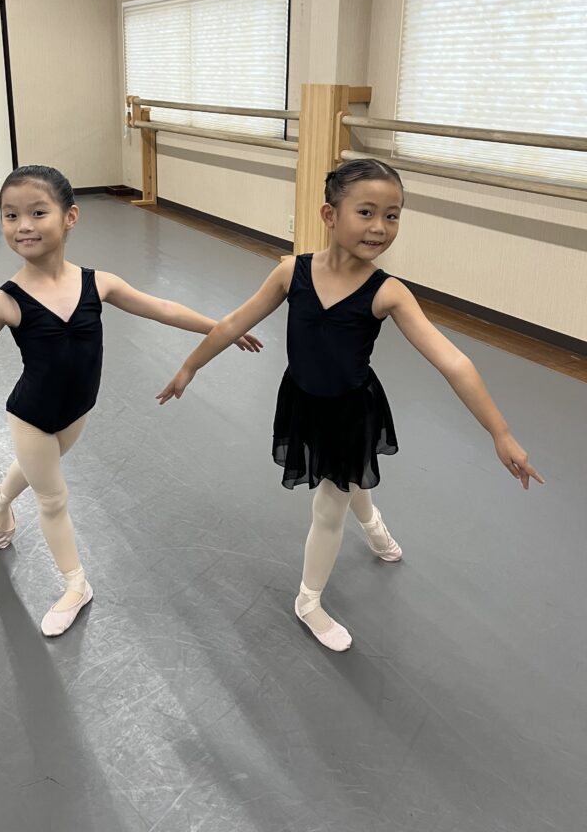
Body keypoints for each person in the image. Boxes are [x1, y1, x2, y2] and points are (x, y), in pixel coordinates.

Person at [0, 165, 261, 637]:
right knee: (52, 496)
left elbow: (162, 308)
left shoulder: (98, 284)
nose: (23, 225)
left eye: (37, 213)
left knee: (35, 468)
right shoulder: (5, 302)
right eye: (10, 215)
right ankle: (75, 584)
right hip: (31, 415)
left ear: (70, 217)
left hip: (77, 411)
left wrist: (220, 329)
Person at [157, 159, 543, 652]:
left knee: (329, 504)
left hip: (351, 411)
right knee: (348, 477)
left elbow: (453, 362)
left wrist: (500, 431)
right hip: (302, 400)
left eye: (392, 215)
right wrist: (190, 366)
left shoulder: (388, 292)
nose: (380, 227)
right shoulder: (291, 273)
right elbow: (234, 322)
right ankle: (375, 526)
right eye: (366, 212)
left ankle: (308, 600)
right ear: (330, 214)